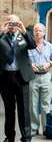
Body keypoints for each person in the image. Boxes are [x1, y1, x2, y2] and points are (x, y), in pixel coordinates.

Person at [0, 14, 36, 142]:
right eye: (10, 23)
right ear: (6, 23)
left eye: (15, 23)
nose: (12, 26)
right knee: (9, 111)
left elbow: (33, 45)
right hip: (5, 78)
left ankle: (26, 137)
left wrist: (24, 30)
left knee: (24, 110)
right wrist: (1, 31)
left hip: (22, 78)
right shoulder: (2, 37)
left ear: (19, 23)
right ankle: (9, 137)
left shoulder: (23, 36)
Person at [28, 23, 52, 136]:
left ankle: (46, 128)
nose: (38, 32)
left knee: (46, 104)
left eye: (40, 30)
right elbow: (24, 59)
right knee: (33, 104)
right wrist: (30, 64)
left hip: (46, 76)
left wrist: (49, 64)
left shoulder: (49, 46)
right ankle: (34, 128)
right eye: (36, 30)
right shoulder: (28, 45)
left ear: (44, 32)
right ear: (33, 32)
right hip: (33, 77)